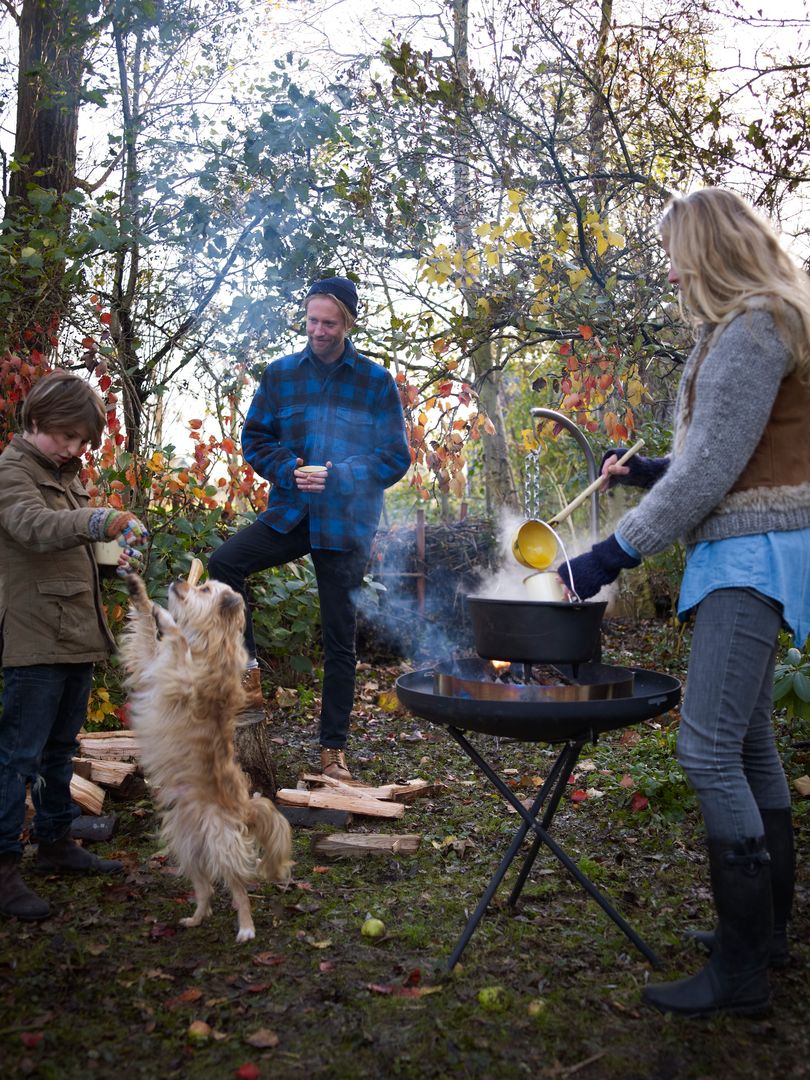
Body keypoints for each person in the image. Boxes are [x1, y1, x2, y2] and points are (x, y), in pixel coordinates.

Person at [558, 188, 810, 1018]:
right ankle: (766, 936)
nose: (669, 266)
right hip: (758, 548)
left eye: (675, 250)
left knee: (706, 752)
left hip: (749, 559)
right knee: (747, 748)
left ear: (710, 249)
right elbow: (723, 456)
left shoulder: (750, 329)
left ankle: (741, 977)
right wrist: (649, 471)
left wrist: (607, 555)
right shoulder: (760, 323)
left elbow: (714, 478)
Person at [208, 276, 410, 781]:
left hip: (345, 523)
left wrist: (340, 474)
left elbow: (395, 458)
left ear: (348, 324)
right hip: (292, 513)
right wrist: (288, 467)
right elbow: (254, 438)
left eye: (329, 322)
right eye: (312, 321)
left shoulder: (375, 382)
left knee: (340, 638)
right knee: (225, 563)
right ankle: (248, 671)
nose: (318, 331)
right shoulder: (280, 376)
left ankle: (332, 753)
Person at [0, 370, 148, 920]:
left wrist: (117, 563)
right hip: (35, 636)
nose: (75, 448)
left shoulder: (66, 474)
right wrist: (97, 519)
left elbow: (74, 547)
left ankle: (56, 842)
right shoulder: (12, 470)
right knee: (18, 757)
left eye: (83, 441)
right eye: (67, 436)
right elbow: (32, 526)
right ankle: (3, 867)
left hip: (75, 633)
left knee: (61, 750)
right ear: (38, 420)